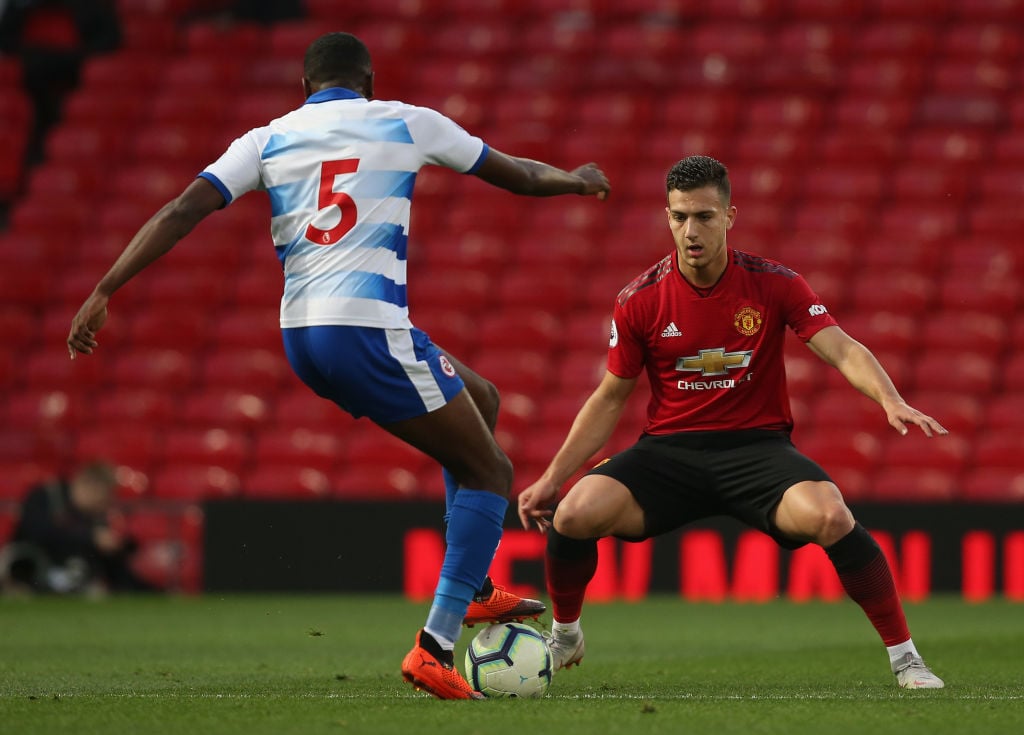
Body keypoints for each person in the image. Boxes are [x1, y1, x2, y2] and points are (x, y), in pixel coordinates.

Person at [67, 32, 610, 699]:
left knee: (482, 398)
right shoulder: (406, 121)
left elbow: (185, 209)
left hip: (302, 335)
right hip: (366, 325)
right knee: (492, 471)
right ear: (370, 82)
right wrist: (577, 181)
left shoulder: (266, 137)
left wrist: (105, 289)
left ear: (305, 88)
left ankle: (472, 588)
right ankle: (434, 645)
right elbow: (519, 175)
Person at [517, 155, 945, 690]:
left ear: (730, 216)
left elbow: (840, 347)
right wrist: (553, 479)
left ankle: (906, 659)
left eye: (703, 217)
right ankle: (566, 633)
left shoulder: (775, 284)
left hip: (756, 451)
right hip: (668, 453)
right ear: (667, 217)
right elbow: (609, 398)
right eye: (679, 217)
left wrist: (889, 398)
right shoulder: (639, 300)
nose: (690, 231)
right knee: (574, 514)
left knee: (832, 515)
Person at [1, 461, 154, 594]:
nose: (103, 507)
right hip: (28, 574)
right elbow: (37, 532)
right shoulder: (45, 496)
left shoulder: (94, 518)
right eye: (102, 500)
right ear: (89, 485)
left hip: (72, 584)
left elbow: (114, 567)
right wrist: (90, 537)